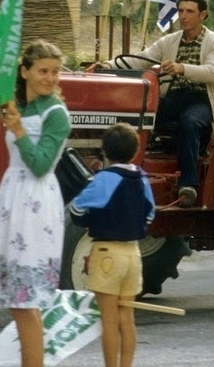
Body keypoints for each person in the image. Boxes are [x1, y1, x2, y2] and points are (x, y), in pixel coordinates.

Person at [92, 0, 214, 207]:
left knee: (190, 123)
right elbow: (142, 59)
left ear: (203, 15)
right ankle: (120, 167)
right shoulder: (170, 41)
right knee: (136, 114)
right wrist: (108, 66)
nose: (183, 16)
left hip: (202, 98)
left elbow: (212, 71)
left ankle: (188, 184)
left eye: (189, 11)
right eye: (181, 11)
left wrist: (181, 68)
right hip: (174, 96)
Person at [0, 40, 72, 367]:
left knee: (27, 300)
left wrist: (19, 129)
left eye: (55, 72)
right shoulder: (18, 105)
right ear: (26, 72)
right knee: (15, 299)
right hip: (14, 199)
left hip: (36, 202)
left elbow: (41, 164)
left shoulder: (57, 114)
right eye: (42, 71)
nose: (50, 78)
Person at [68, 123, 155, 367]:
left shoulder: (105, 179)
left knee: (108, 320)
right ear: (135, 150)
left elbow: (77, 209)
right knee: (127, 318)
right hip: (132, 254)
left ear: (104, 151)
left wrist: (91, 220)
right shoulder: (142, 178)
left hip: (107, 253)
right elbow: (149, 215)